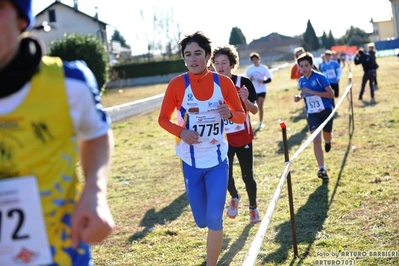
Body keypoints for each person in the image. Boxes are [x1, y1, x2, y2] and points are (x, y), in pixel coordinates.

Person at [0, 1, 115, 265]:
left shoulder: (70, 83)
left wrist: (95, 191)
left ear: (20, 20)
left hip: (60, 254)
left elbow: (96, 134)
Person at [158, 31, 246, 265]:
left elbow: (240, 116)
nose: (193, 59)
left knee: (215, 218)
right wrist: (181, 132)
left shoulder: (223, 82)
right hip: (191, 163)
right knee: (201, 220)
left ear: (207, 56)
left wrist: (230, 113)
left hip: (218, 161)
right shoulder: (177, 85)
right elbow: (163, 119)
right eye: (188, 54)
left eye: (198, 53)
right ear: (184, 58)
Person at [211, 45, 261, 224]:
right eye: (216, 63)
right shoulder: (212, 85)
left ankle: (253, 208)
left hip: (243, 136)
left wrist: (246, 99)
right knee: (225, 175)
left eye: (224, 62)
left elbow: (254, 110)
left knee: (247, 175)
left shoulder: (244, 82)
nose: (220, 66)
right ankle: (235, 196)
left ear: (232, 64)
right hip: (223, 139)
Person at [293, 52, 335, 179]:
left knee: (326, 135)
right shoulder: (301, 81)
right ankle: (321, 169)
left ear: (311, 65)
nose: (304, 69)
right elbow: (304, 94)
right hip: (312, 113)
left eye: (306, 65)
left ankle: (328, 141)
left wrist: (312, 91)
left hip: (325, 110)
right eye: (301, 66)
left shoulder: (320, 77)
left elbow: (331, 94)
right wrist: (299, 97)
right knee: (316, 140)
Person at [245, 52, 272, 130]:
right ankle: (248, 123)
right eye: (253, 59)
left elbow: (269, 79)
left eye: (256, 59)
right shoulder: (249, 69)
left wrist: (263, 81)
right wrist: (250, 78)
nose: (255, 60)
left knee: (260, 106)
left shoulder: (264, 68)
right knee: (251, 107)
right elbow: (245, 80)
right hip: (253, 90)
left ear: (259, 59)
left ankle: (260, 122)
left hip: (262, 90)